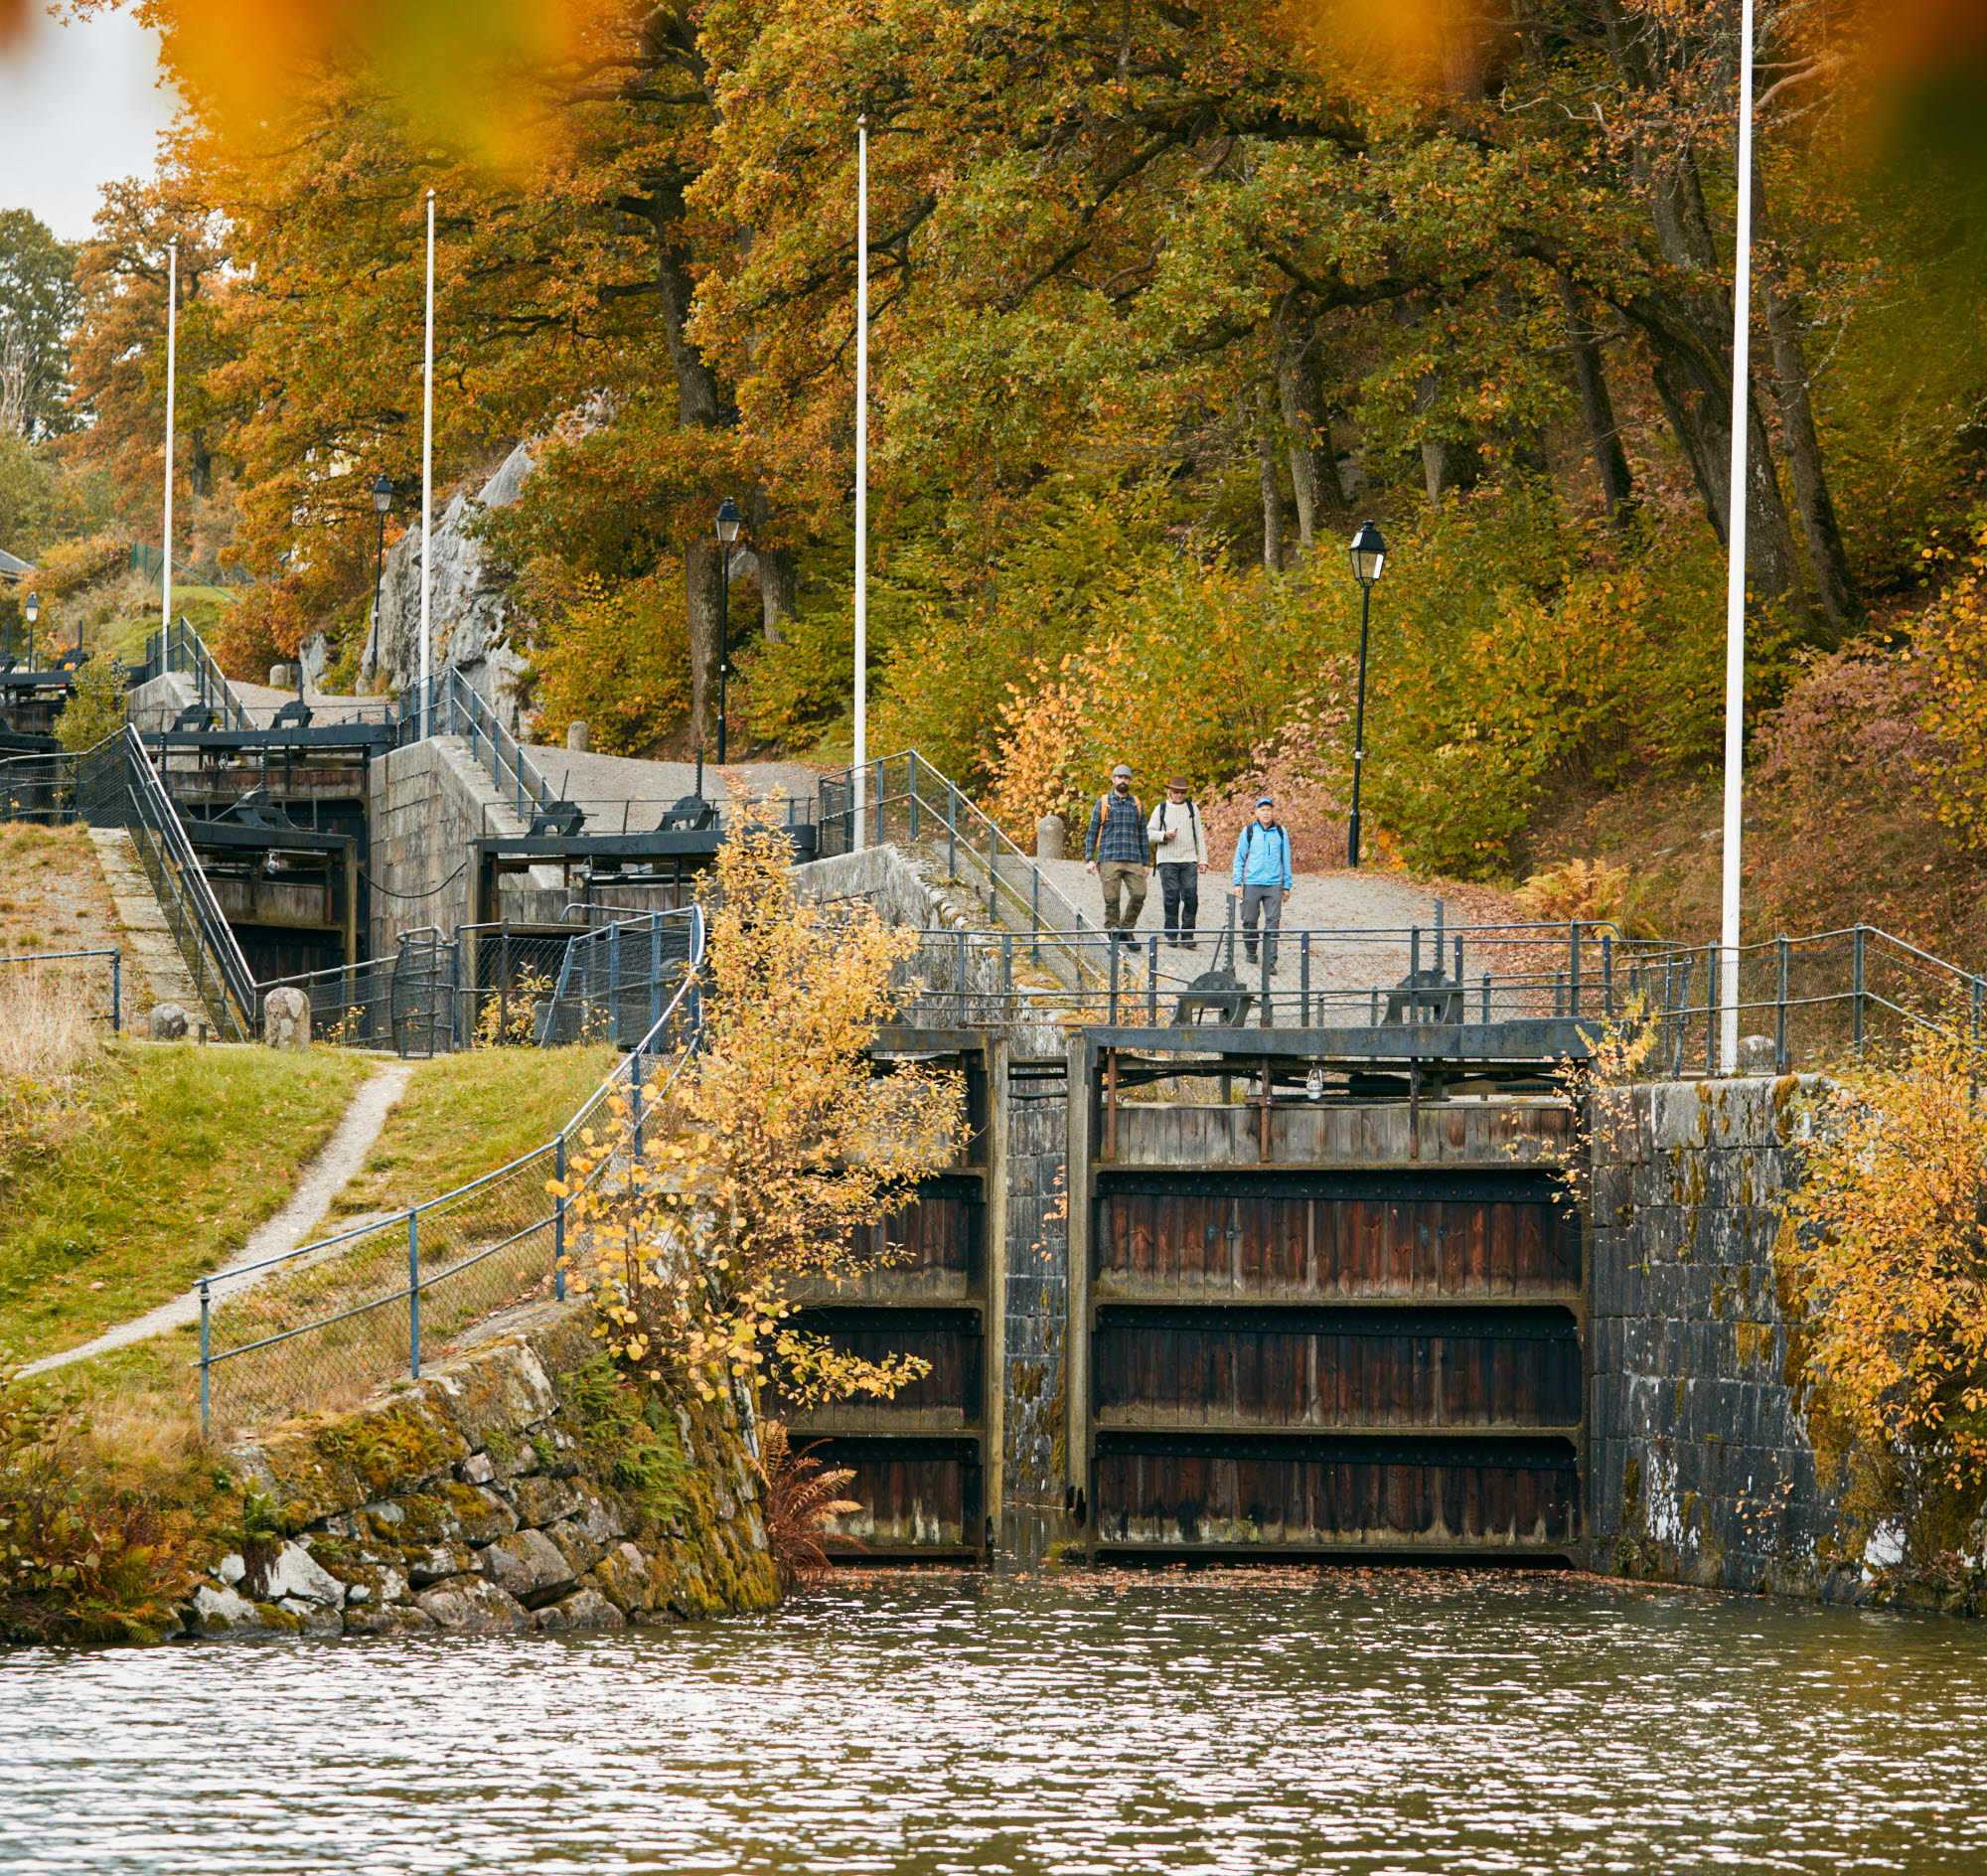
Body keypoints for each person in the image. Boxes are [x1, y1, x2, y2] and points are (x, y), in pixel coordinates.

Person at [1084, 762, 1150, 948]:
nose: (1123, 780)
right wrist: (1089, 858)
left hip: (1133, 858)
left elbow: (1143, 834)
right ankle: (1113, 934)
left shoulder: (1136, 804)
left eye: (1126, 777)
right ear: (1113, 780)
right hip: (1109, 858)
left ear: (1129, 781)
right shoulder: (1103, 802)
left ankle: (1127, 931)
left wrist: (1146, 862)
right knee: (1111, 899)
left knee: (1139, 894)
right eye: (1120, 777)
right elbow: (1092, 831)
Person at [1230, 795, 1294, 971]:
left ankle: (1270, 961)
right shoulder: (1248, 831)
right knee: (1249, 920)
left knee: (1273, 922)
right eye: (1262, 809)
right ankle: (1251, 951)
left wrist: (1287, 886)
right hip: (1251, 882)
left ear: (1273, 812)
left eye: (1268, 809)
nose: (1266, 813)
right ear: (1257, 812)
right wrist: (1237, 883)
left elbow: (1286, 860)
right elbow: (1239, 859)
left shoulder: (1281, 832)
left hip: (1274, 884)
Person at [1146, 775, 1208, 949]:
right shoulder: (1161, 809)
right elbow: (1149, 833)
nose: (1179, 794)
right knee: (1172, 896)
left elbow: (1199, 836)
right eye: (1176, 791)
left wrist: (1202, 859)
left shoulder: (1192, 808)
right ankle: (1171, 934)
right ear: (1170, 791)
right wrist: (1164, 835)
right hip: (1167, 860)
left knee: (1191, 896)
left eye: (1182, 792)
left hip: (1188, 859)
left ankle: (1188, 935)